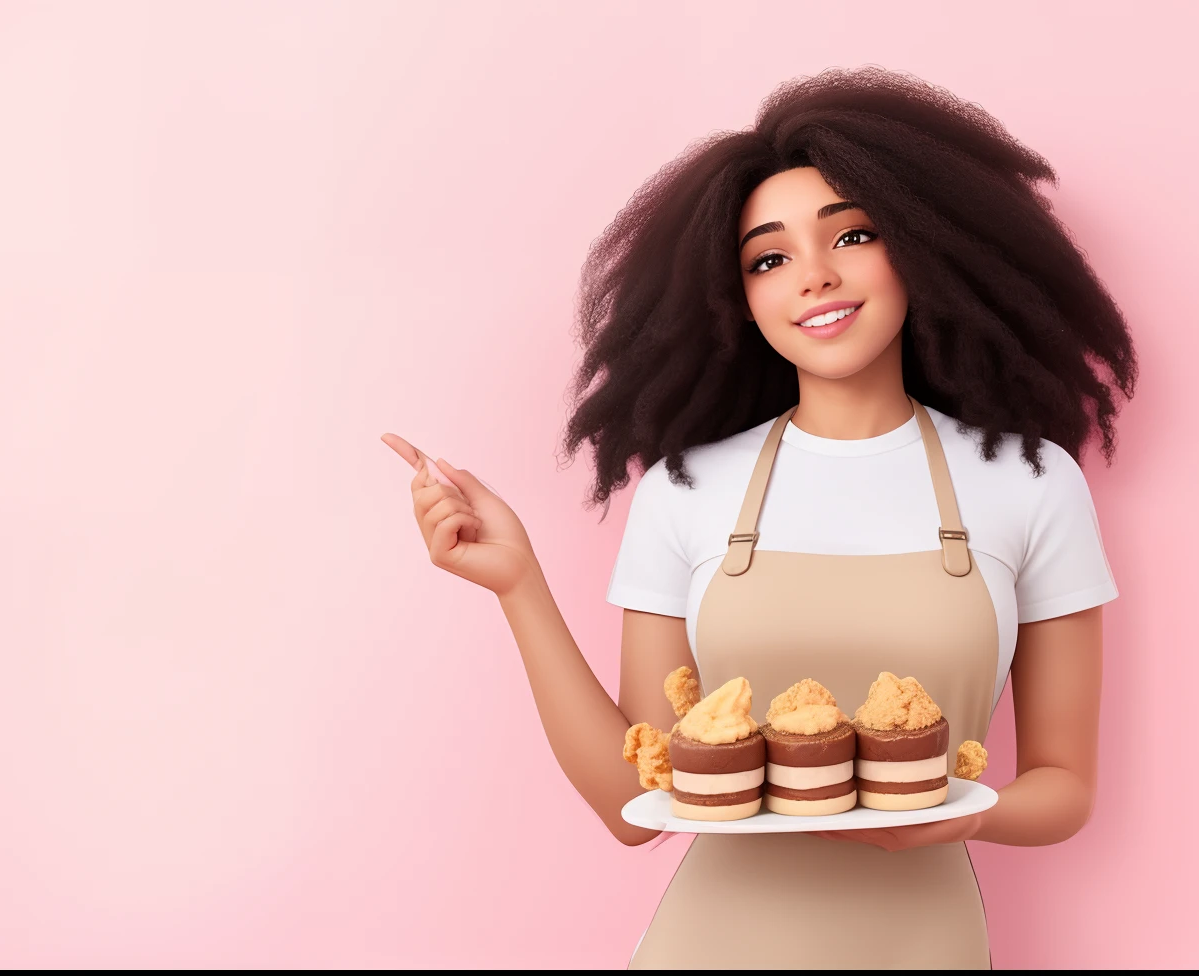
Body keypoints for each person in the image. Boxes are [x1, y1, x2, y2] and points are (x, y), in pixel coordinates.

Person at [383, 67, 1136, 969]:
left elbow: (1064, 789)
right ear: (735, 297)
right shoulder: (687, 490)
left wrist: (941, 820)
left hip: (923, 940)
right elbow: (636, 798)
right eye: (769, 258)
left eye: (852, 234)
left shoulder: (1027, 481)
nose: (814, 277)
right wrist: (518, 585)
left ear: (925, 246)